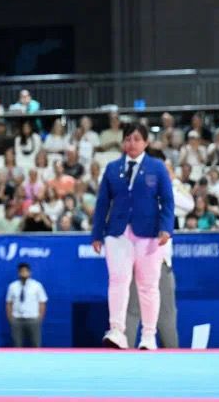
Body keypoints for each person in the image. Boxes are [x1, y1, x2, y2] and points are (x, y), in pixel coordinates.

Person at [91, 123, 174, 350]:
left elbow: (168, 200)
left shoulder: (157, 167)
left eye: (137, 139)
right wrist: (97, 233)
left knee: (148, 286)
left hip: (149, 234)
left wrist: (166, 228)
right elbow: (102, 203)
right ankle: (117, 331)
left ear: (146, 142)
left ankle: (148, 336)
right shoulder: (112, 168)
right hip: (117, 233)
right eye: (128, 139)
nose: (132, 143)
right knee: (117, 281)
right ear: (122, 142)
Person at [5, 262, 47, 348]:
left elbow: (42, 302)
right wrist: (11, 318)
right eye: (22, 271)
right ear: (18, 273)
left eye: (26, 271)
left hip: (33, 319)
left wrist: (39, 318)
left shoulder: (37, 286)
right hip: (17, 320)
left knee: (35, 344)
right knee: (17, 345)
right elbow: (9, 303)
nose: (24, 273)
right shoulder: (12, 286)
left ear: (30, 272)